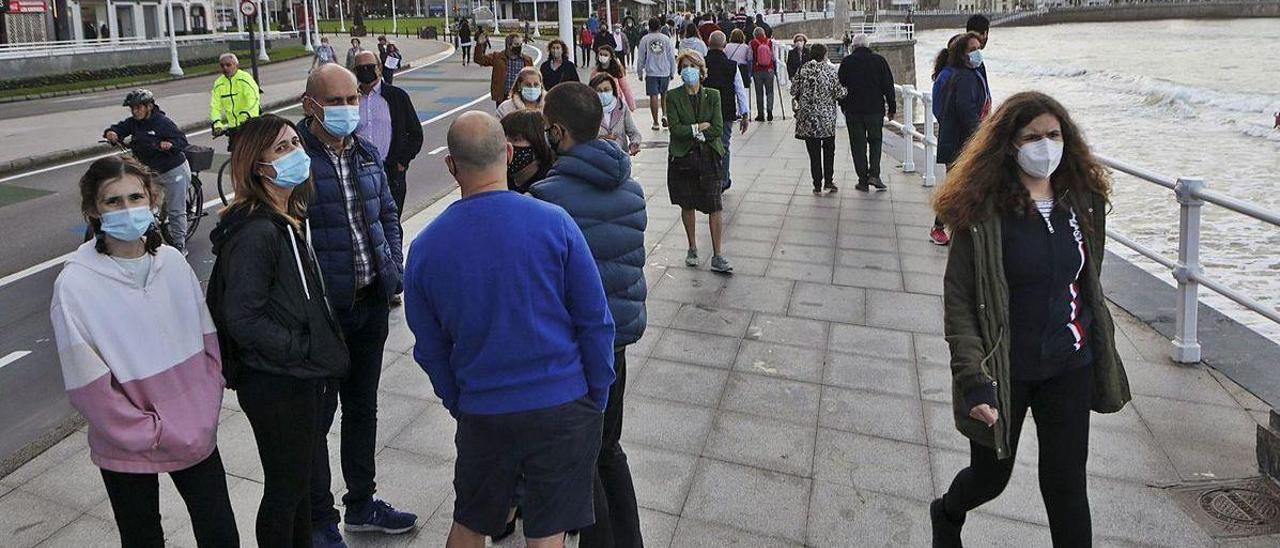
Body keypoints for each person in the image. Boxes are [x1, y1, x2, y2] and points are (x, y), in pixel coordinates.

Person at [404, 111, 615, 548]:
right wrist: (595, 394)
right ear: (507, 152)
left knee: (471, 522)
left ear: (451, 166)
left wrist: (460, 402)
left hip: (484, 410)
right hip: (561, 401)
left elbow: (429, 348)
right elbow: (595, 321)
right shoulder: (554, 223)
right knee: (546, 533)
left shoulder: (425, 248)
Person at [930, 91, 1131, 548]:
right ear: (1009, 144)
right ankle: (946, 512)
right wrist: (973, 379)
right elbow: (959, 302)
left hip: (1069, 366)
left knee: (1066, 488)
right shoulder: (981, 212)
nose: (1046, 145)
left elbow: (1085, 281)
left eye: (1054, 134)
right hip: (1004, 372)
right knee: (991, 478)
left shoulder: (1081, 202)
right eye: (1033, 136)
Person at [54, 155, 237, 548]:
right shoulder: (75, 285)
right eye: (113, 201)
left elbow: (208, 344)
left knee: (220, 530)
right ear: (93, 211)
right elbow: (88, 385)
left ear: (153, 199)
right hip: (127, 445)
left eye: (136, 197)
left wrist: (204, 409)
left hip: (193, 431)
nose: (128, 209)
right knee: (142, 537)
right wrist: (148, 431)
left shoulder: (172, 262)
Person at [207, 114, 347, 548]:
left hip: (296, 376)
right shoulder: (255, 231)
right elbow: (242, 318)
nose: (295, 154)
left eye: (294, 143)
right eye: (281, 149)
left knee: (300, 486)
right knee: (285, 491)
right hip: (276, 381)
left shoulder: (284, 218)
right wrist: (301, 348)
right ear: (257, 166)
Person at [298, 65, 416, 547]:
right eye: (338, 101)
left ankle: (362, 503)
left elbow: (388, 213)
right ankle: (319, 519)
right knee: (317, 419)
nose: (350, 108)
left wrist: (393, 266)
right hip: (325, 315)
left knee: (362, 409)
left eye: (353, 99)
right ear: (311, 106)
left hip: (371, 303)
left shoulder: (365, 153)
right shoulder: (295, 159)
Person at [529, 81, 646, 548]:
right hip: (616, 340)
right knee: (608, 448)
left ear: (556, 131)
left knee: (581, 456)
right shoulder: (631, 187)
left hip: (574, 350)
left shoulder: (546, 200)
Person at [104, 89, 193, 253]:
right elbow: (119, 128)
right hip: (151, 172)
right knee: (146, 207)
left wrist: (170, 145)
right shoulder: (134, 122)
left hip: (173, 169)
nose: (135, 111)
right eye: (132, 108)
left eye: (138, 108)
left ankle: (180, 245)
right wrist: (112, 133)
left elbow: (181, 140)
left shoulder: (162, 122)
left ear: (149, 106)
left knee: (176, 210)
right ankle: (150, 240)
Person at [667, 51, 731, 273]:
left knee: (715, 205)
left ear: (701, 71)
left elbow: (717, 128)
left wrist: (698, 131)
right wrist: (698, 127)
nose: (688, 70)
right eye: (684, 66)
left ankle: (718, 254)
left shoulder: (713, 95)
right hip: (683, 157)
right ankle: (692, 247)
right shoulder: (673, 96)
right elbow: (675, 130)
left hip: (709, 156)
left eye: (692, 66)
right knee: (687, 203)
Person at [353, 50, 425, 225]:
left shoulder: (396, 97)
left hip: (390, 172)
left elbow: (415, 134)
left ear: (378, 68)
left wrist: (402, 162)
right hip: (358, 173)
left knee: (391, 224)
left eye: (369, 67)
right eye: (360, 68)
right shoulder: (351, 100)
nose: (365, 71)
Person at [933, 32, 990, 247]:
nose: (978, 53)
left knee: (963, 185)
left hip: (963, 140)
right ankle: (940, 226)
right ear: (962, 54)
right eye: (973, 49)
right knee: (957, 186)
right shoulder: (962, 76)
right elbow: (966, 110)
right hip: (962, 142)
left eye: (979, 48)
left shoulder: (971, 73)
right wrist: (982, 137)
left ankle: (960, 227)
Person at [838, 33, 896, 192]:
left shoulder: (847, 62)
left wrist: (843, 105)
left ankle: (862, 180)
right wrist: (892, 108)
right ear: (868, 46)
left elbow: (840, 87)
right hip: (875, 110)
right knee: (876, 142)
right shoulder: (879, 61)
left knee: (858, 145)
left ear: (854, 46)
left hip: (853, 110)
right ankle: (875, 175)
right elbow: (888, 86)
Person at [791, 43, 846, 194]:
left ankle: (816, 183)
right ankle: (829, 181)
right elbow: (839, 93)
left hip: (808, 118)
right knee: (829, 150)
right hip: (826, 119)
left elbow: (793, 90)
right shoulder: (829, 70)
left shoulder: (803, 70)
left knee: (813, 153)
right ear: (825, 55)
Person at [704, 31, 750, 190]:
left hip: (704, 112)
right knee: (724, 145)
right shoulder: (731, 66)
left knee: (706, 145)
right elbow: (740, 90)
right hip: (726, 112)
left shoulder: (701, 64)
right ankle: (723, 179)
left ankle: (708, 177)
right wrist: (744, 114)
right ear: (724, 46)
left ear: (708, 44)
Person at [209, 53, 261, 149]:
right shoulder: (219, 83)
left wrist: (249, 117)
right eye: (222, 66)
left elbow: (253, 99)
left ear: (236, 65)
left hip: (250, 123)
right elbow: (215, 106)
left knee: (253, 152)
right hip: (233, 126)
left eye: (228, 65)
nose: (225, 68)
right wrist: (217, 124)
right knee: (235, 155)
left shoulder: (245, 78)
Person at [476, 32, 535, 110]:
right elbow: (479, 59)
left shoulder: (527, 60)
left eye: (520, 44)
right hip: (503, 97)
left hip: (521, 96)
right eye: (516, 44)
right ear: (509, 45)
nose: (519, 47)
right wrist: (479, 45)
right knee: (503, 119)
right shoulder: (498, 57)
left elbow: (533, 77)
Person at [501, 110, 555, 193]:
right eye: (503, 139)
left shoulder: (549, 187)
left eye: (516, 139)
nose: (507, 145)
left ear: (538, 142)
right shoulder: (498, 183)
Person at [637, 17, 677, 131]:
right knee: (664, 95)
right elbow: (671, 57)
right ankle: (665, 115)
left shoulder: (645, 39)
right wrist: (672, 71)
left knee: (653, 96)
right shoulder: (666, 39)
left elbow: (640, 58)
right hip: (665, 72)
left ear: (649, 27)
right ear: (660, 27)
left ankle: (655, 122)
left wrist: (640, 72)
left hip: (651, 73)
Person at [591, 74, 643, 155]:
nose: (603, 93)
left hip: (620, 158)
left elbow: (634, 133)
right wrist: (602, 139)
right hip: (597, 159)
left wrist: (634, 144)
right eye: (599, 91)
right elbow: (581, 139)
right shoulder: (587, 111)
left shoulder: (621, 107)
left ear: (613, 90)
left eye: (606, 90)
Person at [592, 45, 635, 111]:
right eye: (601, 54)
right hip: (600, 104)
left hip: (616, 103)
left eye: (605, 55)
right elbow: (591, 87)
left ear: (610, 57)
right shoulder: (595, 71)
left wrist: (631, 105)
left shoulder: (617, 70)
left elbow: (625, 88)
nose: (602, 56)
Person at [749, 27, 775, 122]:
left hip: (757, 70)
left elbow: (749, 57)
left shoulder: (752, 43)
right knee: (770, 92)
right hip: (769, 70)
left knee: (759, 93)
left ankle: (760, 114)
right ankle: (770, 111)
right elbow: (773, 57)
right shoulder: (769, 42)